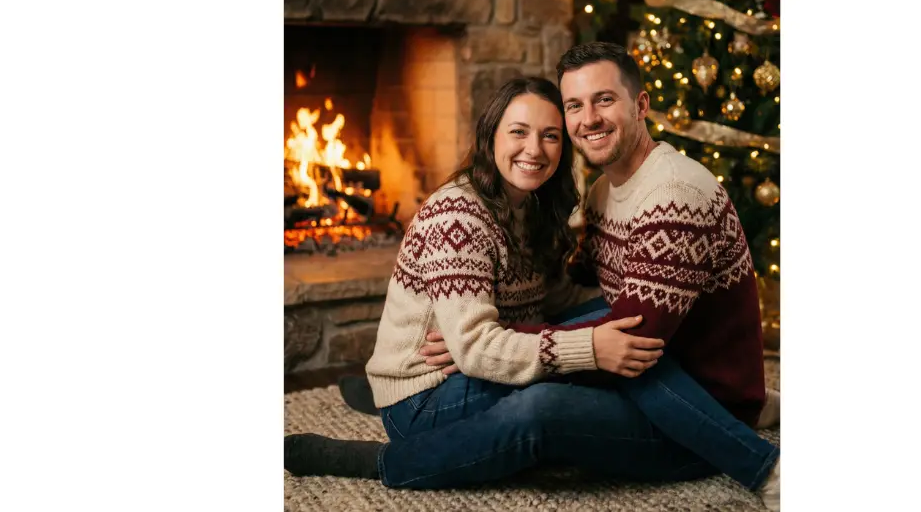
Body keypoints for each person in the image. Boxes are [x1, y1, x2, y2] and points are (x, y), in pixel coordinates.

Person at [285, 50, 780, 508]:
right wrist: (585, 346)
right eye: (518, 132)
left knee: (620, 334)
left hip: (466, 367)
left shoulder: (533, 207)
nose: (535, 149)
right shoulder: (459, 214)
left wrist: (600, 328)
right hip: (429, 394)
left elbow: (560, 298)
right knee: (578, 377)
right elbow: (478, 348)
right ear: (491, 136)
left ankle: (723, 411)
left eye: (549, 135)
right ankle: (757, 461)